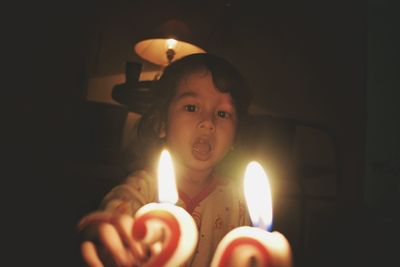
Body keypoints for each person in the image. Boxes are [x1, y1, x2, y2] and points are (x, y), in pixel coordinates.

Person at [77, 53, 252, 267]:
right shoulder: (141, 188)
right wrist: (105, 233)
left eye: (223, 113)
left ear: (235, 136)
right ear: (161, 124)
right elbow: (113, 217)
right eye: (191, 107)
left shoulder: (239, 203)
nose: (208, 122)